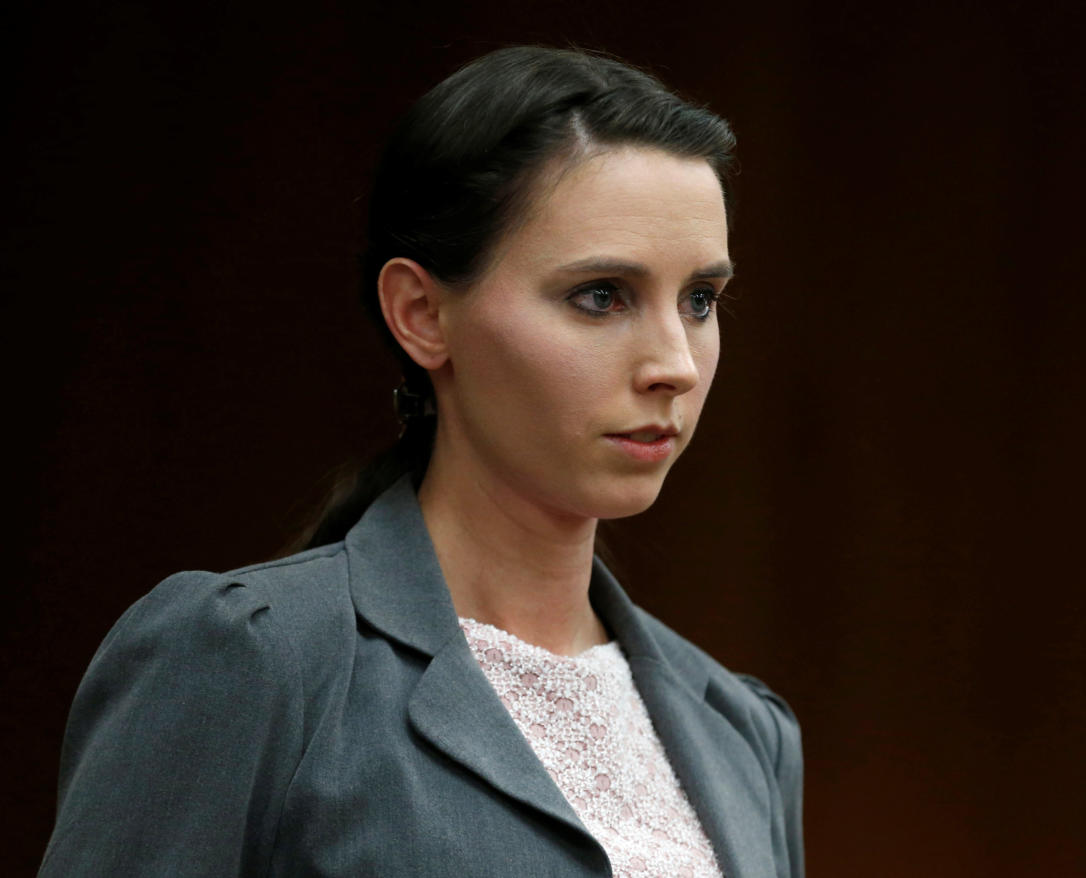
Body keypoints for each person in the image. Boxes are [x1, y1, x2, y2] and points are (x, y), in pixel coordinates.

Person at [39, 46, 804, 877]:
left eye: (700, 300)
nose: (675, 364)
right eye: (600, 296)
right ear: (422, 315)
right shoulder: (254, 662)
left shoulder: (743, 730)